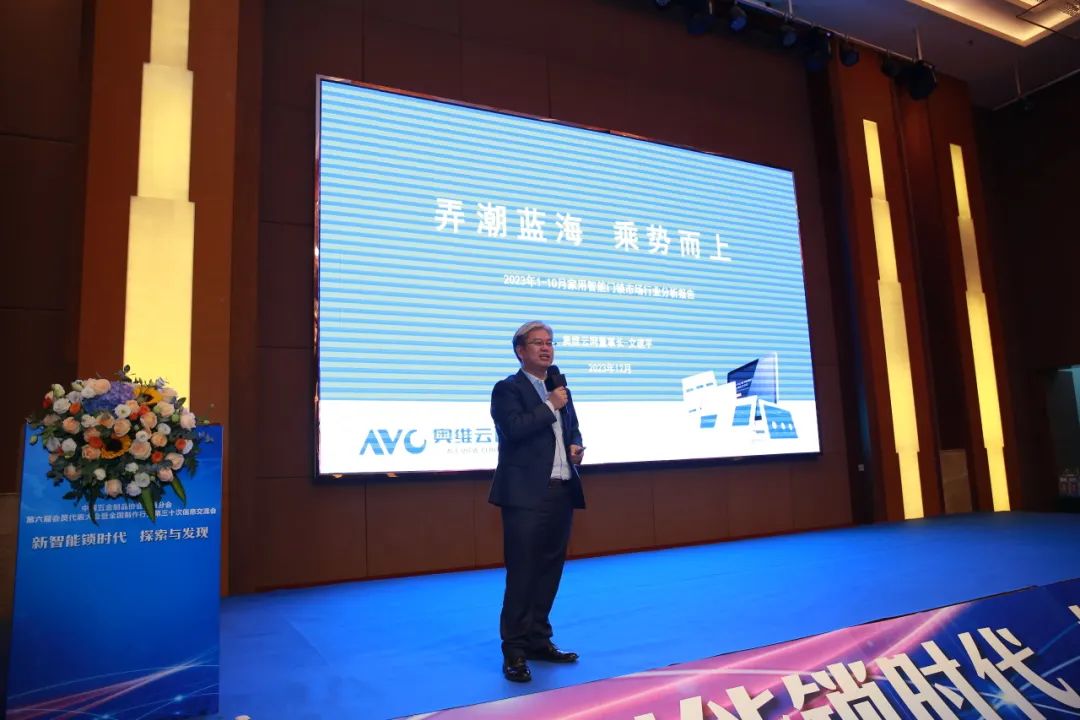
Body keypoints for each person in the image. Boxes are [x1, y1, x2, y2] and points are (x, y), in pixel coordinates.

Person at [489, 320, 586, 683]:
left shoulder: (560, 389)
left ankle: (538, 640)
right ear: (520, 351)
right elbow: (514, 429)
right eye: (538, 343)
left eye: (550, 342)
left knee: (549, 570)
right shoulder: (507, 389)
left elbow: (572, 428)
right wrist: (549, 405)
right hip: (526, 495)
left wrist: (576, 446)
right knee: (523, 572)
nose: (547, 348)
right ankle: (514, 650)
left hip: (561, 490)